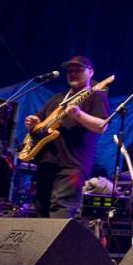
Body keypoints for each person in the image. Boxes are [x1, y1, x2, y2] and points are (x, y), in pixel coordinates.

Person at [24, 55, 110, 218]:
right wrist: (33, 121)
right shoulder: (57, 98)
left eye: (78, 70)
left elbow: (102, 126)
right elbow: (39, 124)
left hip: (72, 163)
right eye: (70, 71)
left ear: (91, 72)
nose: (73, 73)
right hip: (46, 161)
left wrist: (78, 115)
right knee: (40, 209)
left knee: (61, 208)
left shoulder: (95, 95)